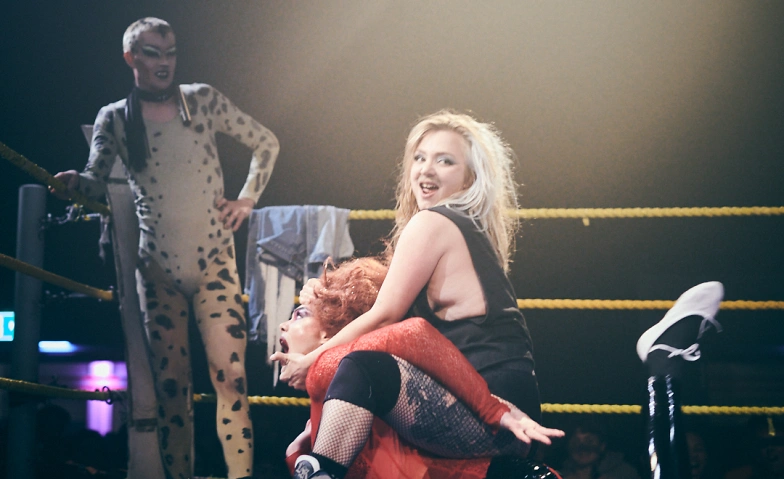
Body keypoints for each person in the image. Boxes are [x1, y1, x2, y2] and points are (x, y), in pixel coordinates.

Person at [50, 17, 279, 479]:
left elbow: (266, 142)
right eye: (153, 53)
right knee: (172, 392)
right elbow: (95, 180)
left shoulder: (203, 99)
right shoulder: (115, 117)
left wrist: (247, 199)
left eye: (170, 52)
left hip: (214, 262)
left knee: (232, 380)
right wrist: (75, 183)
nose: (164, 63)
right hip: (157, 271)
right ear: (130, 58)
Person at [271, 110, 553, 478]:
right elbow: (384, 313)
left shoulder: (434, 222)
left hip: (493, 410)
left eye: (445, 161)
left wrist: (312, 360)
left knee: (364, 369)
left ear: (470, 178)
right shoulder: (462, 229)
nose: (426, 170)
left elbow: (386, 318)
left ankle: (321, 471)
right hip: (493, 406)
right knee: (363, 377)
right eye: (420, 158)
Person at [281, 257, 564, 479]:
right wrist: (296, 451)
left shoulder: (335, 365)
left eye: (299, 315)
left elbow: (415, 332)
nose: (284, 325)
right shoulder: (342, 397)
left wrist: (493, 410)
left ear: (328, 333)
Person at [557, 420, 640, 479]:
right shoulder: (557, 475)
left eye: (589, 441)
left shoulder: (625, 474)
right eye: (576, 442)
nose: (582, 447)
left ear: (602, 446)